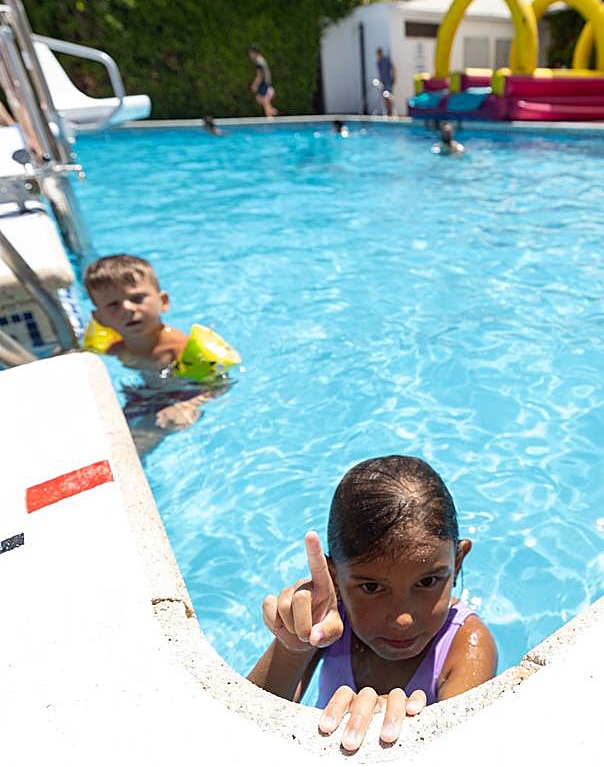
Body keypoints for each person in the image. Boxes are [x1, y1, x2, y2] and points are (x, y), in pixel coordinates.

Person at [248, 455, 497, 753]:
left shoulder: (466, 645)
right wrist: (293, 645)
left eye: (428, 582)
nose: (403, 619)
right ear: (334, 578)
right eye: (371, 587)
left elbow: (465, 751)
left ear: (457, 564)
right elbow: (246, 723)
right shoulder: (329, 623)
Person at [83, 254, 235, 452]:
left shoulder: (178, 348)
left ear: (163, 301)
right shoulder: (117, 348)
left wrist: (189, 406)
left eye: (137, 298)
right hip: (144, 396)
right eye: (113, 304)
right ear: (100, 318)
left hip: (183, 396)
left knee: (133, 447)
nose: (127, 308)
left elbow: (222, 383)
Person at [248, 45, 277, 118]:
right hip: (266, 82)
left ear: (255, 53)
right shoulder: (260, 60)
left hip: (264, 82)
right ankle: (272, 110)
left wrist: (255, 85)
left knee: (265, 101)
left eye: (251, 53)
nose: (250, 55)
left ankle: (270, 118)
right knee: (259, 98)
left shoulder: (259, 62)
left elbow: (260, 76)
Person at [375, 47, 395, 117]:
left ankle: (391, 111)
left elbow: (393, 68)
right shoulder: (378, 62)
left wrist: (394, 77)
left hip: (388, 81)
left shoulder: (386, 60)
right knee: (384, 96)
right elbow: (380, 73)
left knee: (389, 96)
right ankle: (387, 111)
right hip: (382, 82)